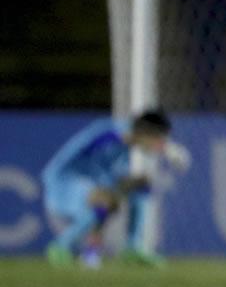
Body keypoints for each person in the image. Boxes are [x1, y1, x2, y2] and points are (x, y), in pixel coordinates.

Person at [41, 109, 189, 268]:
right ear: (145, 132)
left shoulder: (125, 150)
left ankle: (130, 249)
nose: (159, 145)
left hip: (88, 182)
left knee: (140, 185)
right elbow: (95, 151)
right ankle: (60, 246)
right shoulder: (110, 132)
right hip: (64, 181)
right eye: (159, 139)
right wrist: (167, 149)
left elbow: (114, 179)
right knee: (105, 199)